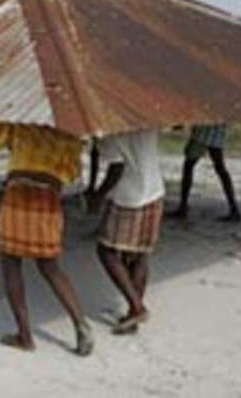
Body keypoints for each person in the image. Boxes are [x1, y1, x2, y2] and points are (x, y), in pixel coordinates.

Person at [0, 122, 93, 356]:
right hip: (48, 196)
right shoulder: (70, 128)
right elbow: (73, 172)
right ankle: (80, 324)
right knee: (50, 267)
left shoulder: (23, 118)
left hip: (17, 190)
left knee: (10, 262)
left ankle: (25, 336)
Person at [86, 129, 165, 335]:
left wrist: (99, 194)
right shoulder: (145, 120)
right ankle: (133, 313)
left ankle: (137, 307)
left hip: (129, 196)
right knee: (140, 255)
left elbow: (117, 167)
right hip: (154, 190)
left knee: (106, 251)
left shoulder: (109, 130)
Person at [169, 123, 241, 222]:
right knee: (220, 169)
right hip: (217, 133)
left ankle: (183, 207)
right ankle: (234, 208)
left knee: (188, 166)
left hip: (203, 134)